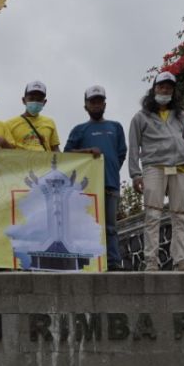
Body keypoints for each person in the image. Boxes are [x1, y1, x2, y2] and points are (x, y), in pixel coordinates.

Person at [129, 71, 184, 272]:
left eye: (169, 87)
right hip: (154, 167)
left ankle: (181, 260)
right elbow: (133, 146)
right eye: (161, 86)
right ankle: (151, 261)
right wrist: (135, 174)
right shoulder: (140, 117)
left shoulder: (181, 115)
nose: (165, 90)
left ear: (173, 91)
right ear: (154, 89)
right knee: (153, 215)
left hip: (180, 168)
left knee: (180, 214)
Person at [65, 85, 128, 270]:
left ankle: (114, 263)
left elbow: (121, 154)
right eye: (92, 102)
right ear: (86, 106)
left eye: (99, 101)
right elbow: (66, 155)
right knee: (86, 227)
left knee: (110, 228)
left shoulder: (116, 127)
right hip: (85, 189)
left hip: (110, 184)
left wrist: (110, 171)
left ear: (105, 104)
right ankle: (88, 262)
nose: (96, 105)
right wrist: (87, 152)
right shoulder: (79, 130)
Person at [5, 81, 60, 152]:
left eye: (39, 99)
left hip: (45, 162)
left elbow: (55, 149)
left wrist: (63, 162)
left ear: (44, 102)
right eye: (31, 98)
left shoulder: (50, 122)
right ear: (24, 100)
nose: (35, 102)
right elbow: (7, 150)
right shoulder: (9, 124)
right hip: (21, 162)